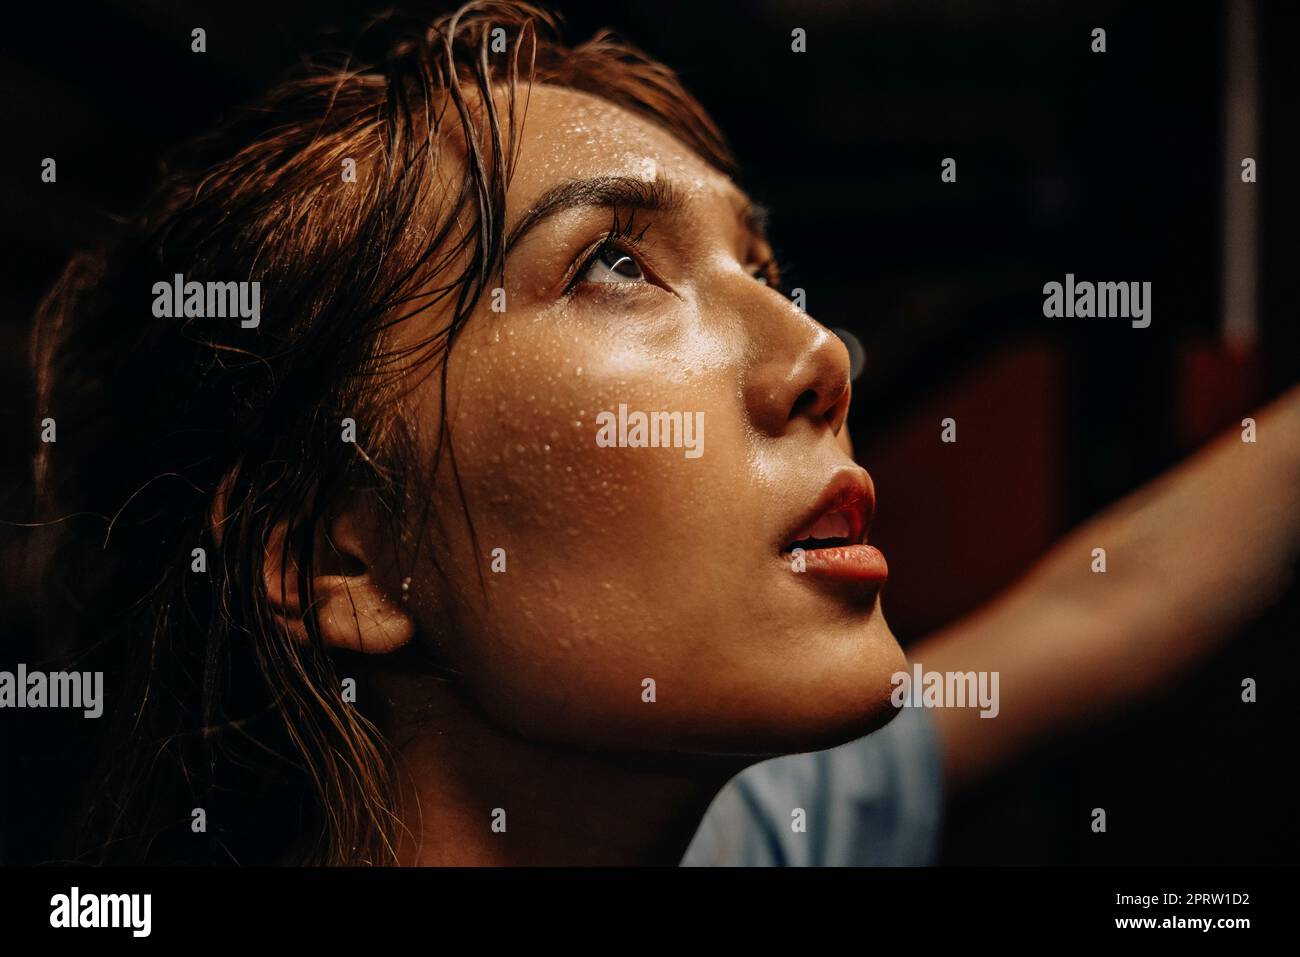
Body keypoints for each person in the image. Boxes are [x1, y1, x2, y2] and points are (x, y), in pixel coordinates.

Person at [26, 1, 1300, 866]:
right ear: (341, 560)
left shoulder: (742, 835)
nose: (819, 357)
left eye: (762, 265)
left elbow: (1105, 606)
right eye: (614, 266)